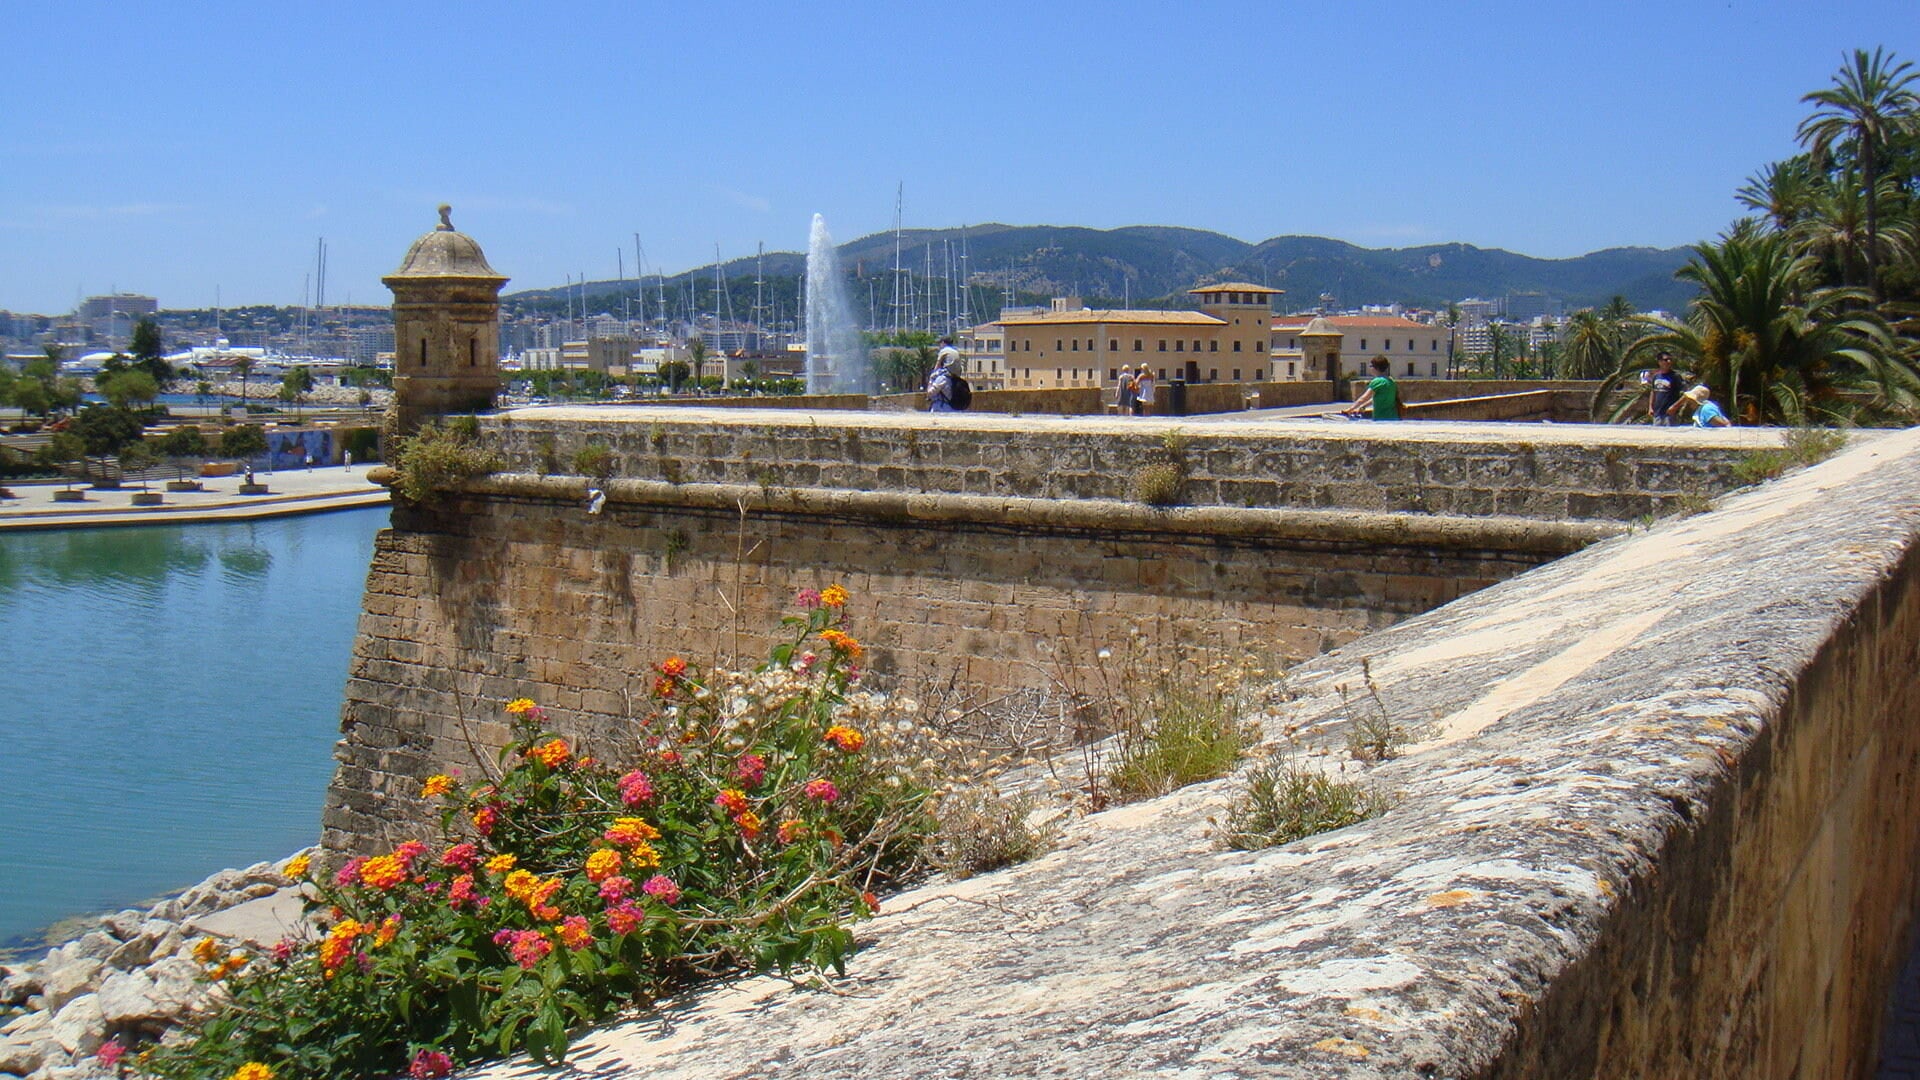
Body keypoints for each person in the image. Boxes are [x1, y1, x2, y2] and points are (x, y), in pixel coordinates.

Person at [1648, 351, 1685, 426]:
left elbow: (1684, 394)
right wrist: (1650, 407)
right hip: (1657, 414)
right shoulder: (1656, 376)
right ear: (1659, 362)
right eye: (1666, 360)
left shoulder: (1675, 376)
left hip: (1670, 414)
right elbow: (1653, 392)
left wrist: (1675, 407)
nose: (1669, 361)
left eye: (1670, 359)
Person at [926, 348, 956, 412]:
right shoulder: (950, 376)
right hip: (949, 407)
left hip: (941, 406)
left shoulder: (942, 378)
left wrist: (931, 380)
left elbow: (930, 392)